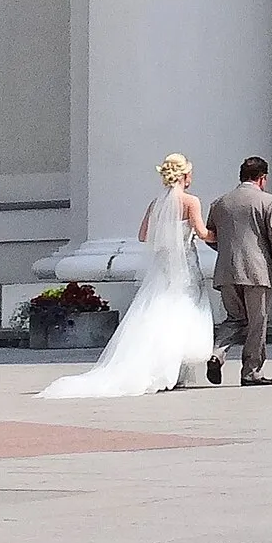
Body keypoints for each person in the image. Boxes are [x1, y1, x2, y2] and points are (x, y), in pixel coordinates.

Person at [42, 154, 215, 396]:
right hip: (185, 264)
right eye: (190, 173)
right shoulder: (190, 202)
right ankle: (174, 369)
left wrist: (166, 236)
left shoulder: (155, 204)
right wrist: (217, 235)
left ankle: (163, 367)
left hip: (163, 267)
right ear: (185, 176)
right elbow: (202, 232)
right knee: (184, 308)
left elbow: (144, 236)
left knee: (160, 310)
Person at [204, 156, 272, 385]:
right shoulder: (269, 202)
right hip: (257, 271)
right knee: (257, 323)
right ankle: (251, 371)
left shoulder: (220, 203)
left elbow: (210, 235)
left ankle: (217, 353)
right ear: (262, 178)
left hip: (226, 270)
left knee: (234, 318)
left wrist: (224, 251)